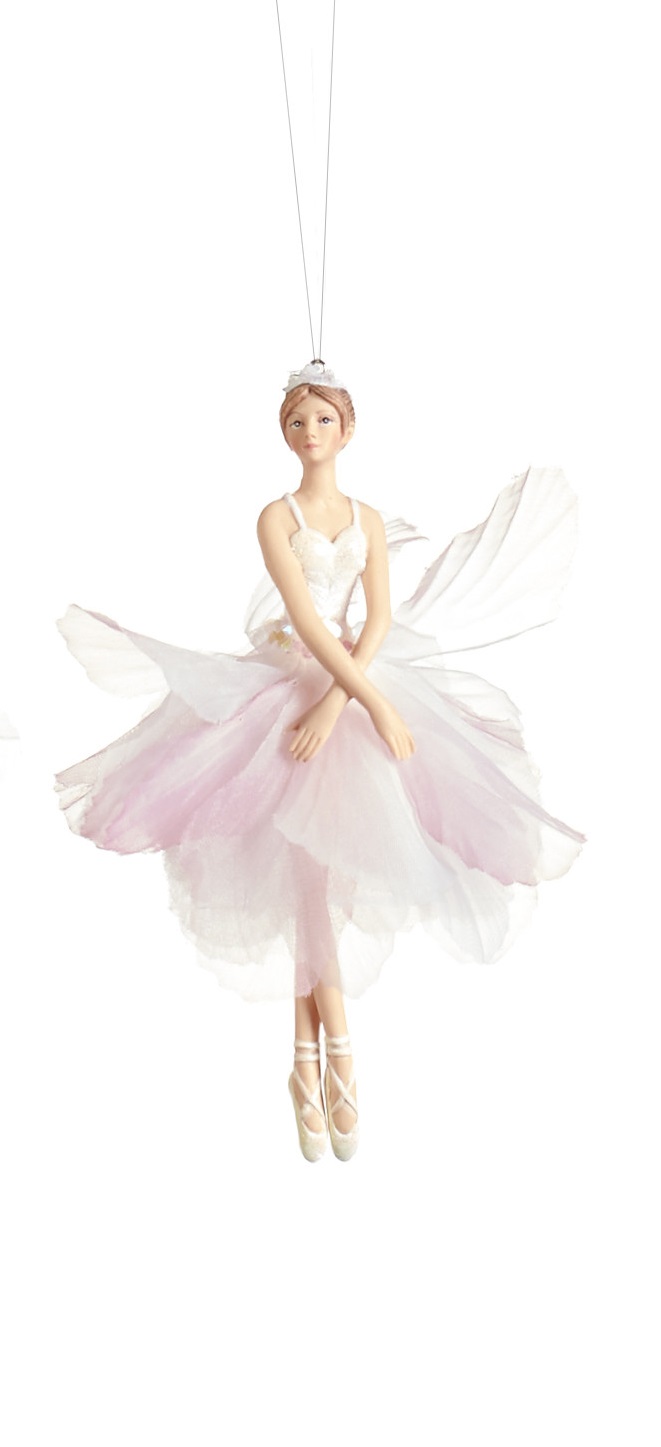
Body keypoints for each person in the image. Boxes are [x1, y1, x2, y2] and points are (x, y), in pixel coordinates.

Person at [56, 360, 584, 1163]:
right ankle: (338, 1058)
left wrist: (350, 700)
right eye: (297, 421)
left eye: (323, 420)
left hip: (347, 688)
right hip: (284, 689)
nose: (310, 433)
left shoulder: (365, 517)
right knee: (303, 877)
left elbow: (378, 619)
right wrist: (357, 697)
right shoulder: (276, 517)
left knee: (328, 874)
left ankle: (304, 1064)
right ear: (285, 432)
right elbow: (303, 618)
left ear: (348, 429)